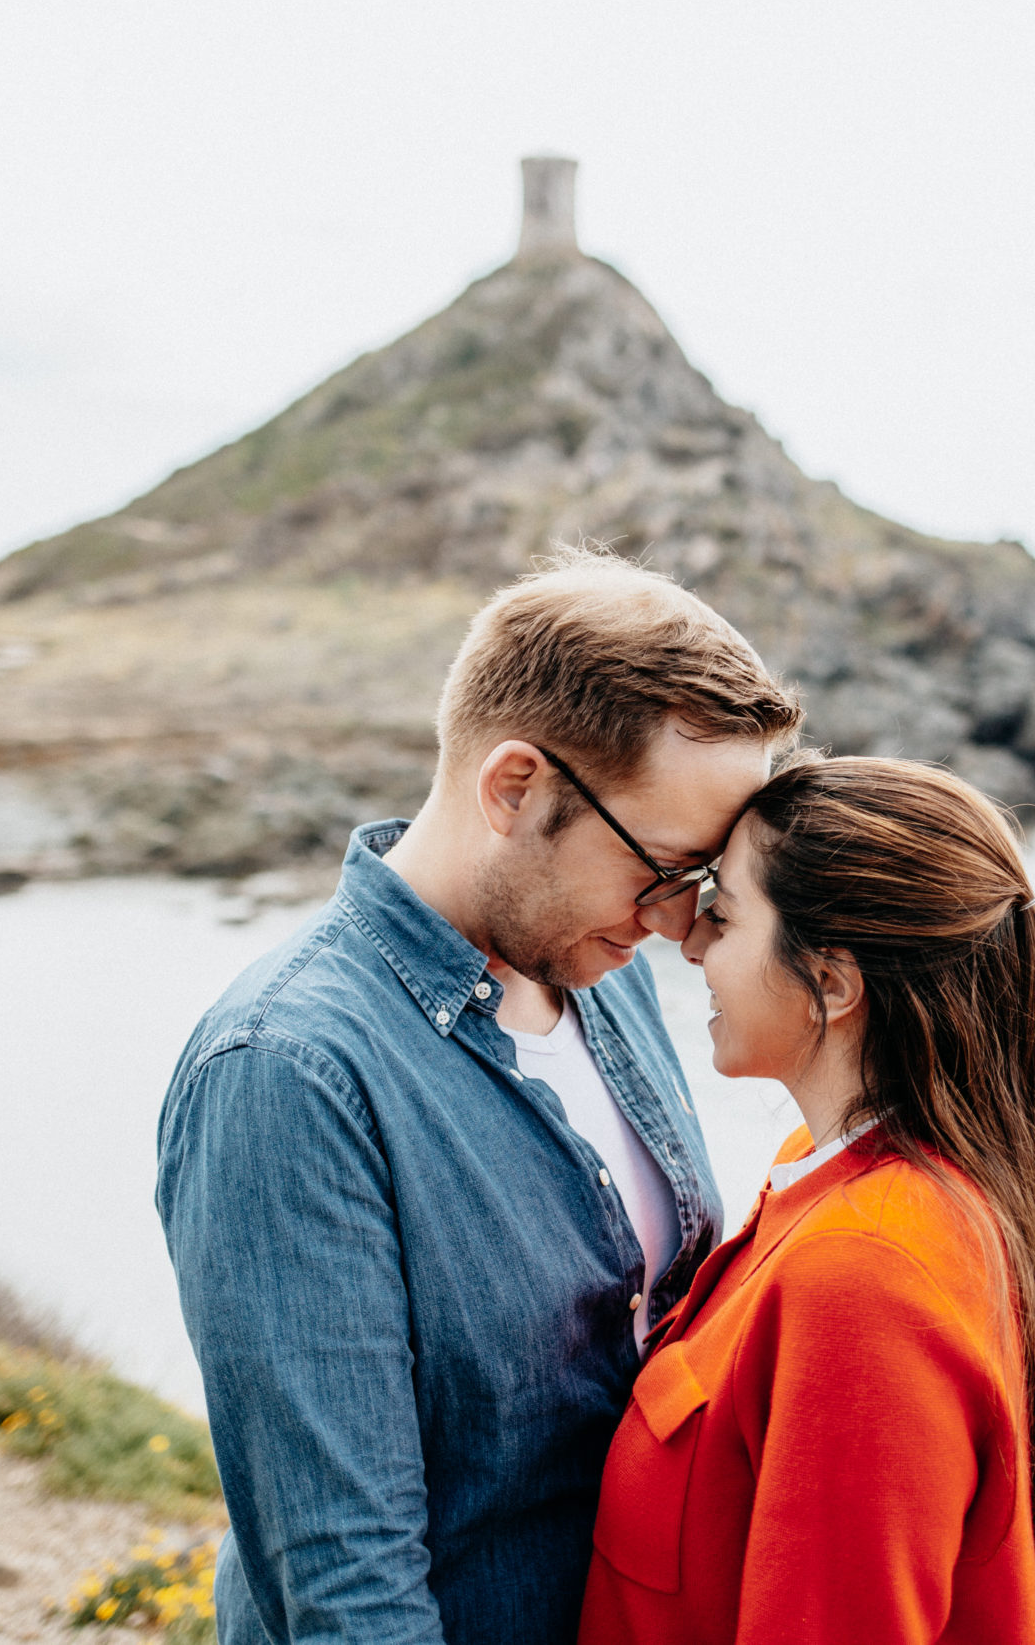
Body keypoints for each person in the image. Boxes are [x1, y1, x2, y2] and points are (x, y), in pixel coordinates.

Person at [156, 552, 804, 1644]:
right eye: (661, 866)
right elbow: (344, 1586)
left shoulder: (604, 975)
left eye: (698, 884)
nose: (670, 924)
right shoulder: (286, 1073)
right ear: (514, 788)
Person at [578, 755, 1035, 1645]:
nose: (691, 942)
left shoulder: (864, 1278)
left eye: (726, 913)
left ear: (830, 982)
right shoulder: (825, 1177)